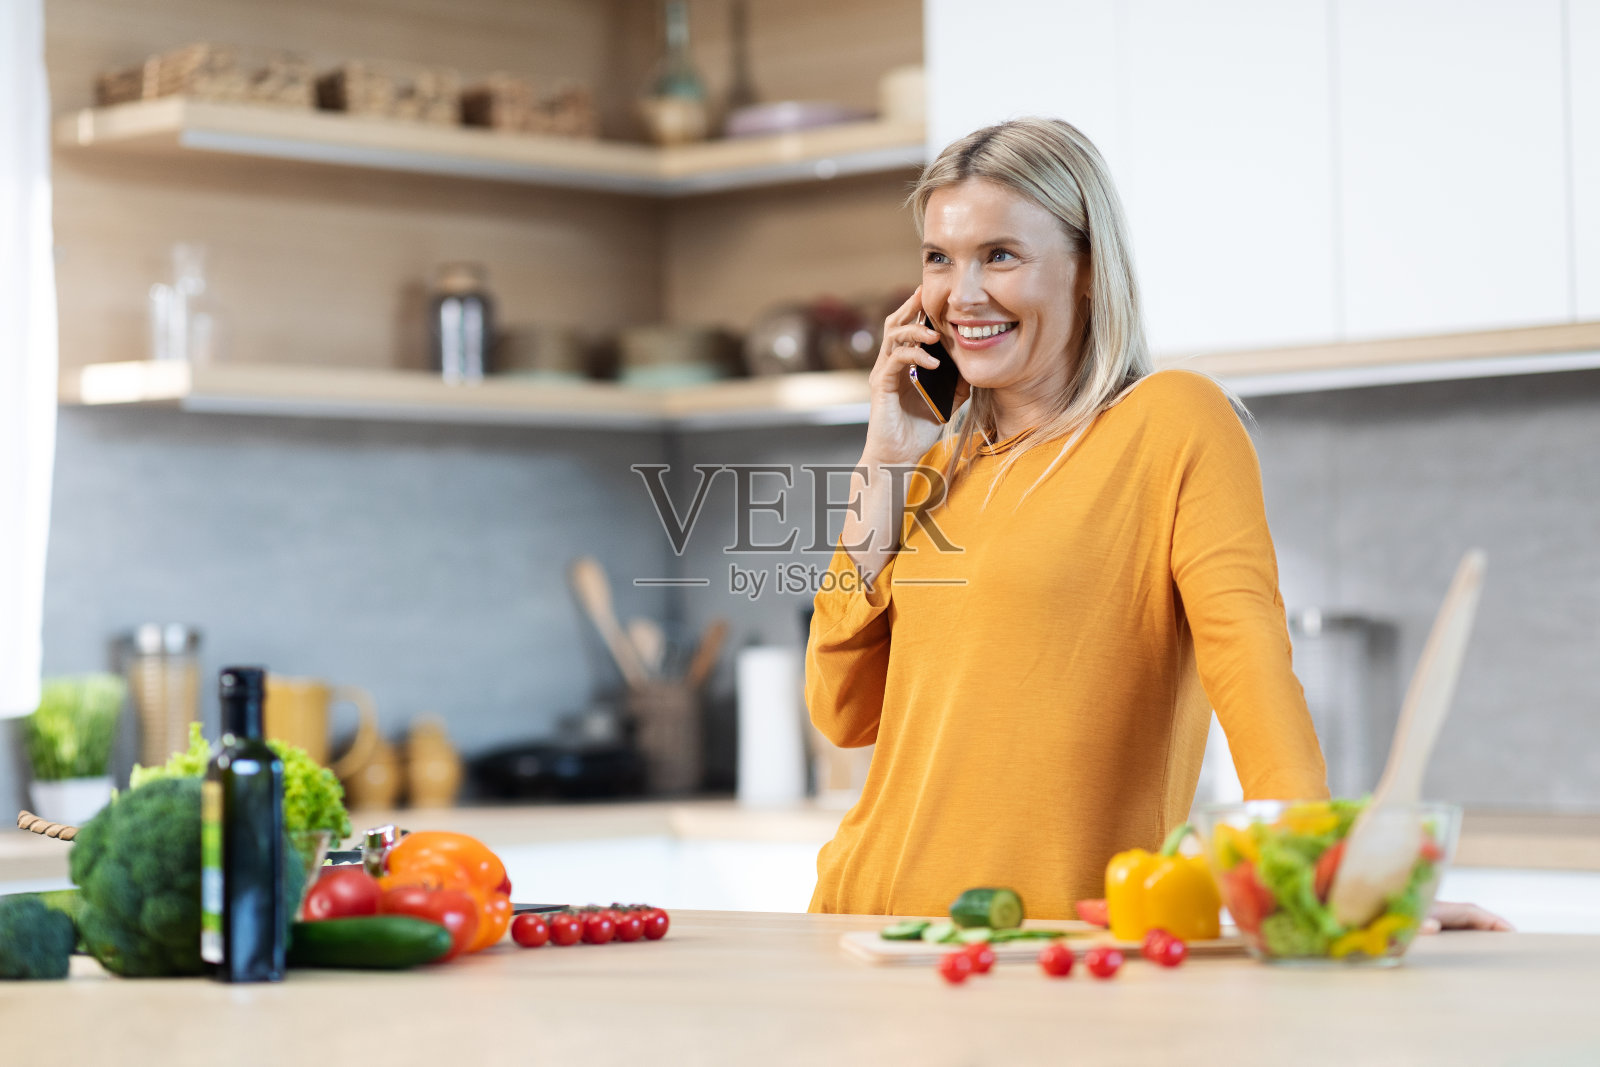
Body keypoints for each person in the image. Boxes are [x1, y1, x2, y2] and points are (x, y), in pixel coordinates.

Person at [804, 117, 1509, 934]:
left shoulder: (1173, 422)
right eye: (939, 258)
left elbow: (1249, 658)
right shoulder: (931, 469)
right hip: (868, 929)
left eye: (1000, 254)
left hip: (1052, 942)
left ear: (1088, 271)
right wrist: (884, 462)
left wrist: (1318, 867)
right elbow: (841, 711)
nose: (961, 295)